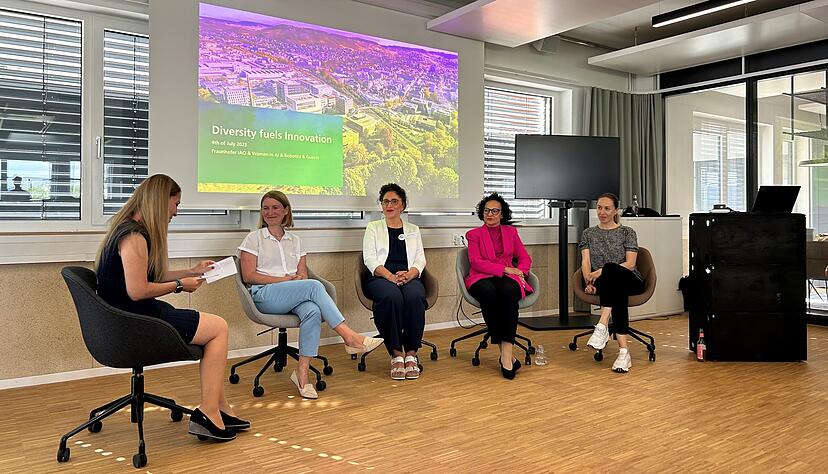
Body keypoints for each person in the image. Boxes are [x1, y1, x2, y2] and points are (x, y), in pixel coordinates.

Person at [95, 174, 248, 442]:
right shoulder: (133, 236)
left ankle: (221, 409)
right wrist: (180, 285)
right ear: (159, 201)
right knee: (219, 328)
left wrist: (192, 271)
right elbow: (138, 290)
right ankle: (209, 414)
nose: (176, 211)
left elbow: (148, 275)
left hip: (130, 316)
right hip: (135, 322)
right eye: (175, 204)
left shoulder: (128, 228)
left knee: (212, 328)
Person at [239, 190, 383, 398]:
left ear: (286, 210)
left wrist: (296, 280)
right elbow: (249, 276)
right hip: (264, 296)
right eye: (265, 208)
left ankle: (302, 374)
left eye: (275, 207)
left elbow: (303, 274)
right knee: (314, 287)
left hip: (292, 293)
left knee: (313, 310)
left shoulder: (295, 241)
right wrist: (285, 280)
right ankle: (350, 337)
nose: (270, 212)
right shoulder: (254, 239)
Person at [464, 193, 532, 380]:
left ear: (502, 214)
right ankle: (506, 354)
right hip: (481, 276)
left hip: (507, 276)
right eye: (487, 210)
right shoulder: (473, 234)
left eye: (495, 211)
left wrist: (521, 272)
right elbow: (476, 262)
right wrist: (506, 269)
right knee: (489, 293)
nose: (490, 214)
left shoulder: (511, 233)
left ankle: (506, 353)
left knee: (509, 292)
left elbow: (525, 258)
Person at [362, 183, 427, 380]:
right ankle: (396, 353)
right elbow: (369, 259)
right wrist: (390, 276)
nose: (389, 205)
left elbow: (420, 259)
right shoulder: (373, 228)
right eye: (385, 201)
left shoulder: (413, 229)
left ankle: (411, 353)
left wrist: (410, 274)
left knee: (415, 296)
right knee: (392, 297)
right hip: (380, 277)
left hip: (408, 276)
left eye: (394, 201)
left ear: (403, 205)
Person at [580, 192, 645, 373]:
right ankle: (624, 353)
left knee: (610, 269)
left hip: (630, 279)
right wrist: (588, 279)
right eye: (599, 207)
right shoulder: (588, 233)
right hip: (606, 284)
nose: (602, 212)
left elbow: (630, 264)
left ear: (616, 210)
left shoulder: (627, 232)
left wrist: (601, 271)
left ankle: (602, 323)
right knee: (618, 296)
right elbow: (585, 261)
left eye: (607, 208)